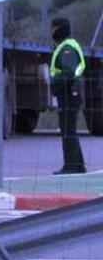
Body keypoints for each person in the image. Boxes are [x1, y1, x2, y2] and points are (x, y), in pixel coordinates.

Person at [50, 18, 87, 175]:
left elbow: (68, 72)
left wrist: (54, 84)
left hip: (68, 93)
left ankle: (70, 166)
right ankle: (78, 165)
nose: (51, 31)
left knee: (67, 130)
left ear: (59, 28)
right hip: (70, 92)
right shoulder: (66, 45)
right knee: (70, 129)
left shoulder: (67, 48)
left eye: (53, 28)